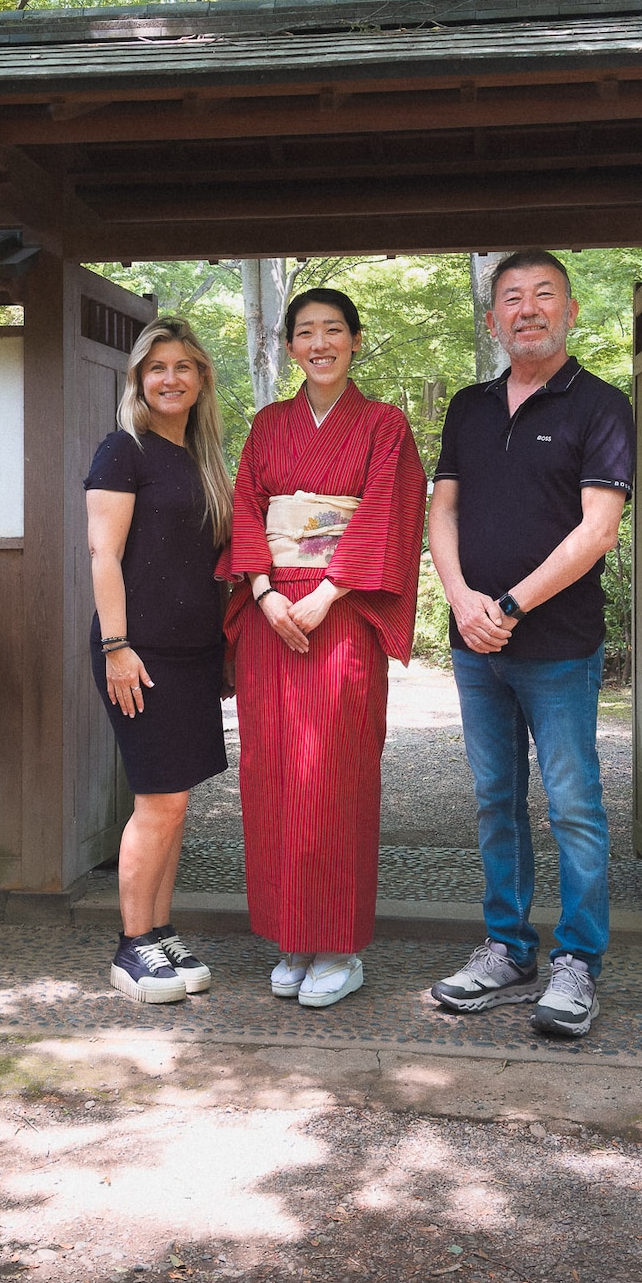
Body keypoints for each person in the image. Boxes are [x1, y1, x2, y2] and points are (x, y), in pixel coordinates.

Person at [427, 249, 634, 1037]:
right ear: (492, 320)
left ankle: (577, 963)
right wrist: (459, 599)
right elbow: (441, 511)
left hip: (558, 645)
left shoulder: (600, 406)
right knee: (494, 802)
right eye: (511, 298)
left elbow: (598, 531)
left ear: (571, 311)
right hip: (472, 645)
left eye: (544, 294)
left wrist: (508, 604)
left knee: (575, 806)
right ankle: (507, 948)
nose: (528, 309)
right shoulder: (468, 408)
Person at [220, 289, 427, 1010]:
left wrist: (330, 590)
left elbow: (389, 513)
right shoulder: (268, 424)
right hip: (270, 613)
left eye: (332, 330)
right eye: (304, 332)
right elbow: (246, 508)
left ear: (356, 340)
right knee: (273, 769)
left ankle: (340, 944)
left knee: (334, 774)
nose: (318, 343)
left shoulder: (383, 425)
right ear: (287, 347)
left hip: (341, 616)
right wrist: (266, 592)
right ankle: (292, 937)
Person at [85, 315, 233, 1005]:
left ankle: (160, 927)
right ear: (138, 381)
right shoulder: (125, 450)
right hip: (137, 654)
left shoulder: (203, 458)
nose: (170, 378)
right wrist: (117, 646)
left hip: (194, 654)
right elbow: (103, 554)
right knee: (157, 799)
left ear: (202, 378)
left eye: (183, 367)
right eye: (156, 368)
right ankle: (131, 944)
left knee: (176, 803)